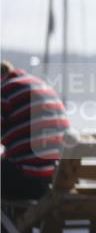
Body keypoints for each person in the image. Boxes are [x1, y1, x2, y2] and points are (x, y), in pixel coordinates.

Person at [1, 60, 69, 203]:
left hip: (28, 179)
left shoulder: (4, 91)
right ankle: (10, 223)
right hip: (56, 179)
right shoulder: (41, 86)